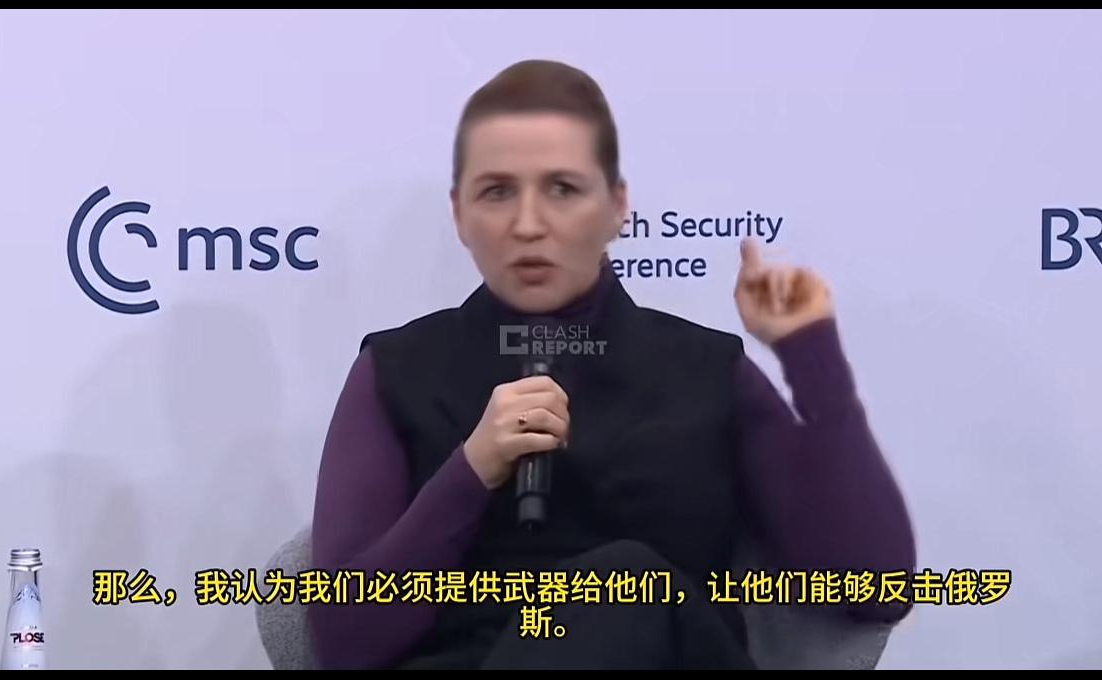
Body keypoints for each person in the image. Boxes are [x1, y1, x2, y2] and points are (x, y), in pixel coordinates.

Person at [308, 59, 916, 670]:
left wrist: (812, 358)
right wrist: (470, 472)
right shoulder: (397, 370)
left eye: (562, 189)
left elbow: (876, 586)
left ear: (617, 207)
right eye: (497, 192)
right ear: (460, 215)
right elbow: (341, 643)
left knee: (625, 584)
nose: (528, 225)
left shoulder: (705, 370)